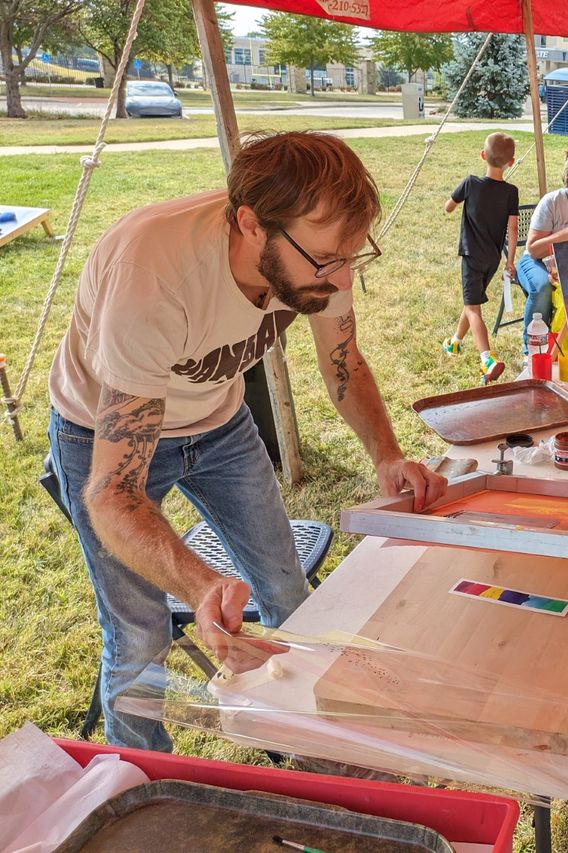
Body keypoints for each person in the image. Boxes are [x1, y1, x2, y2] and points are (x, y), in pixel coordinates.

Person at [46, 131, 449, 752]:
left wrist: (387, 455)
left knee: (287, 589)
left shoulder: (318, 246)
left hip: (220, 424)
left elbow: (344, 363)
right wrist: (201, 584)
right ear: (250, 224)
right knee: (140, 635)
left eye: (350, 256)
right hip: (100, 433)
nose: (340, 277)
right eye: (324, 261)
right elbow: (112, 492)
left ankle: (323, 747)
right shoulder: (151, 273)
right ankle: (138, 781)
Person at [442, 132, 519, 383]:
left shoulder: (470, 183)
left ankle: (487, 358)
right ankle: (454, 342)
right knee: (471, 301)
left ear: (483, 155)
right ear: (512, 162)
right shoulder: (511, 192)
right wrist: (510, 262)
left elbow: (448, 206)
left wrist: (452, 206)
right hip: (493, 259)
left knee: (473, 308)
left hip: (471, 256)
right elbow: (513, 229)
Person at [519, 149, 568, 352]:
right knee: (543, 288)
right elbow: (534, 249)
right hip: (537, 261)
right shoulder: (553, 201)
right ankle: (533, 352)